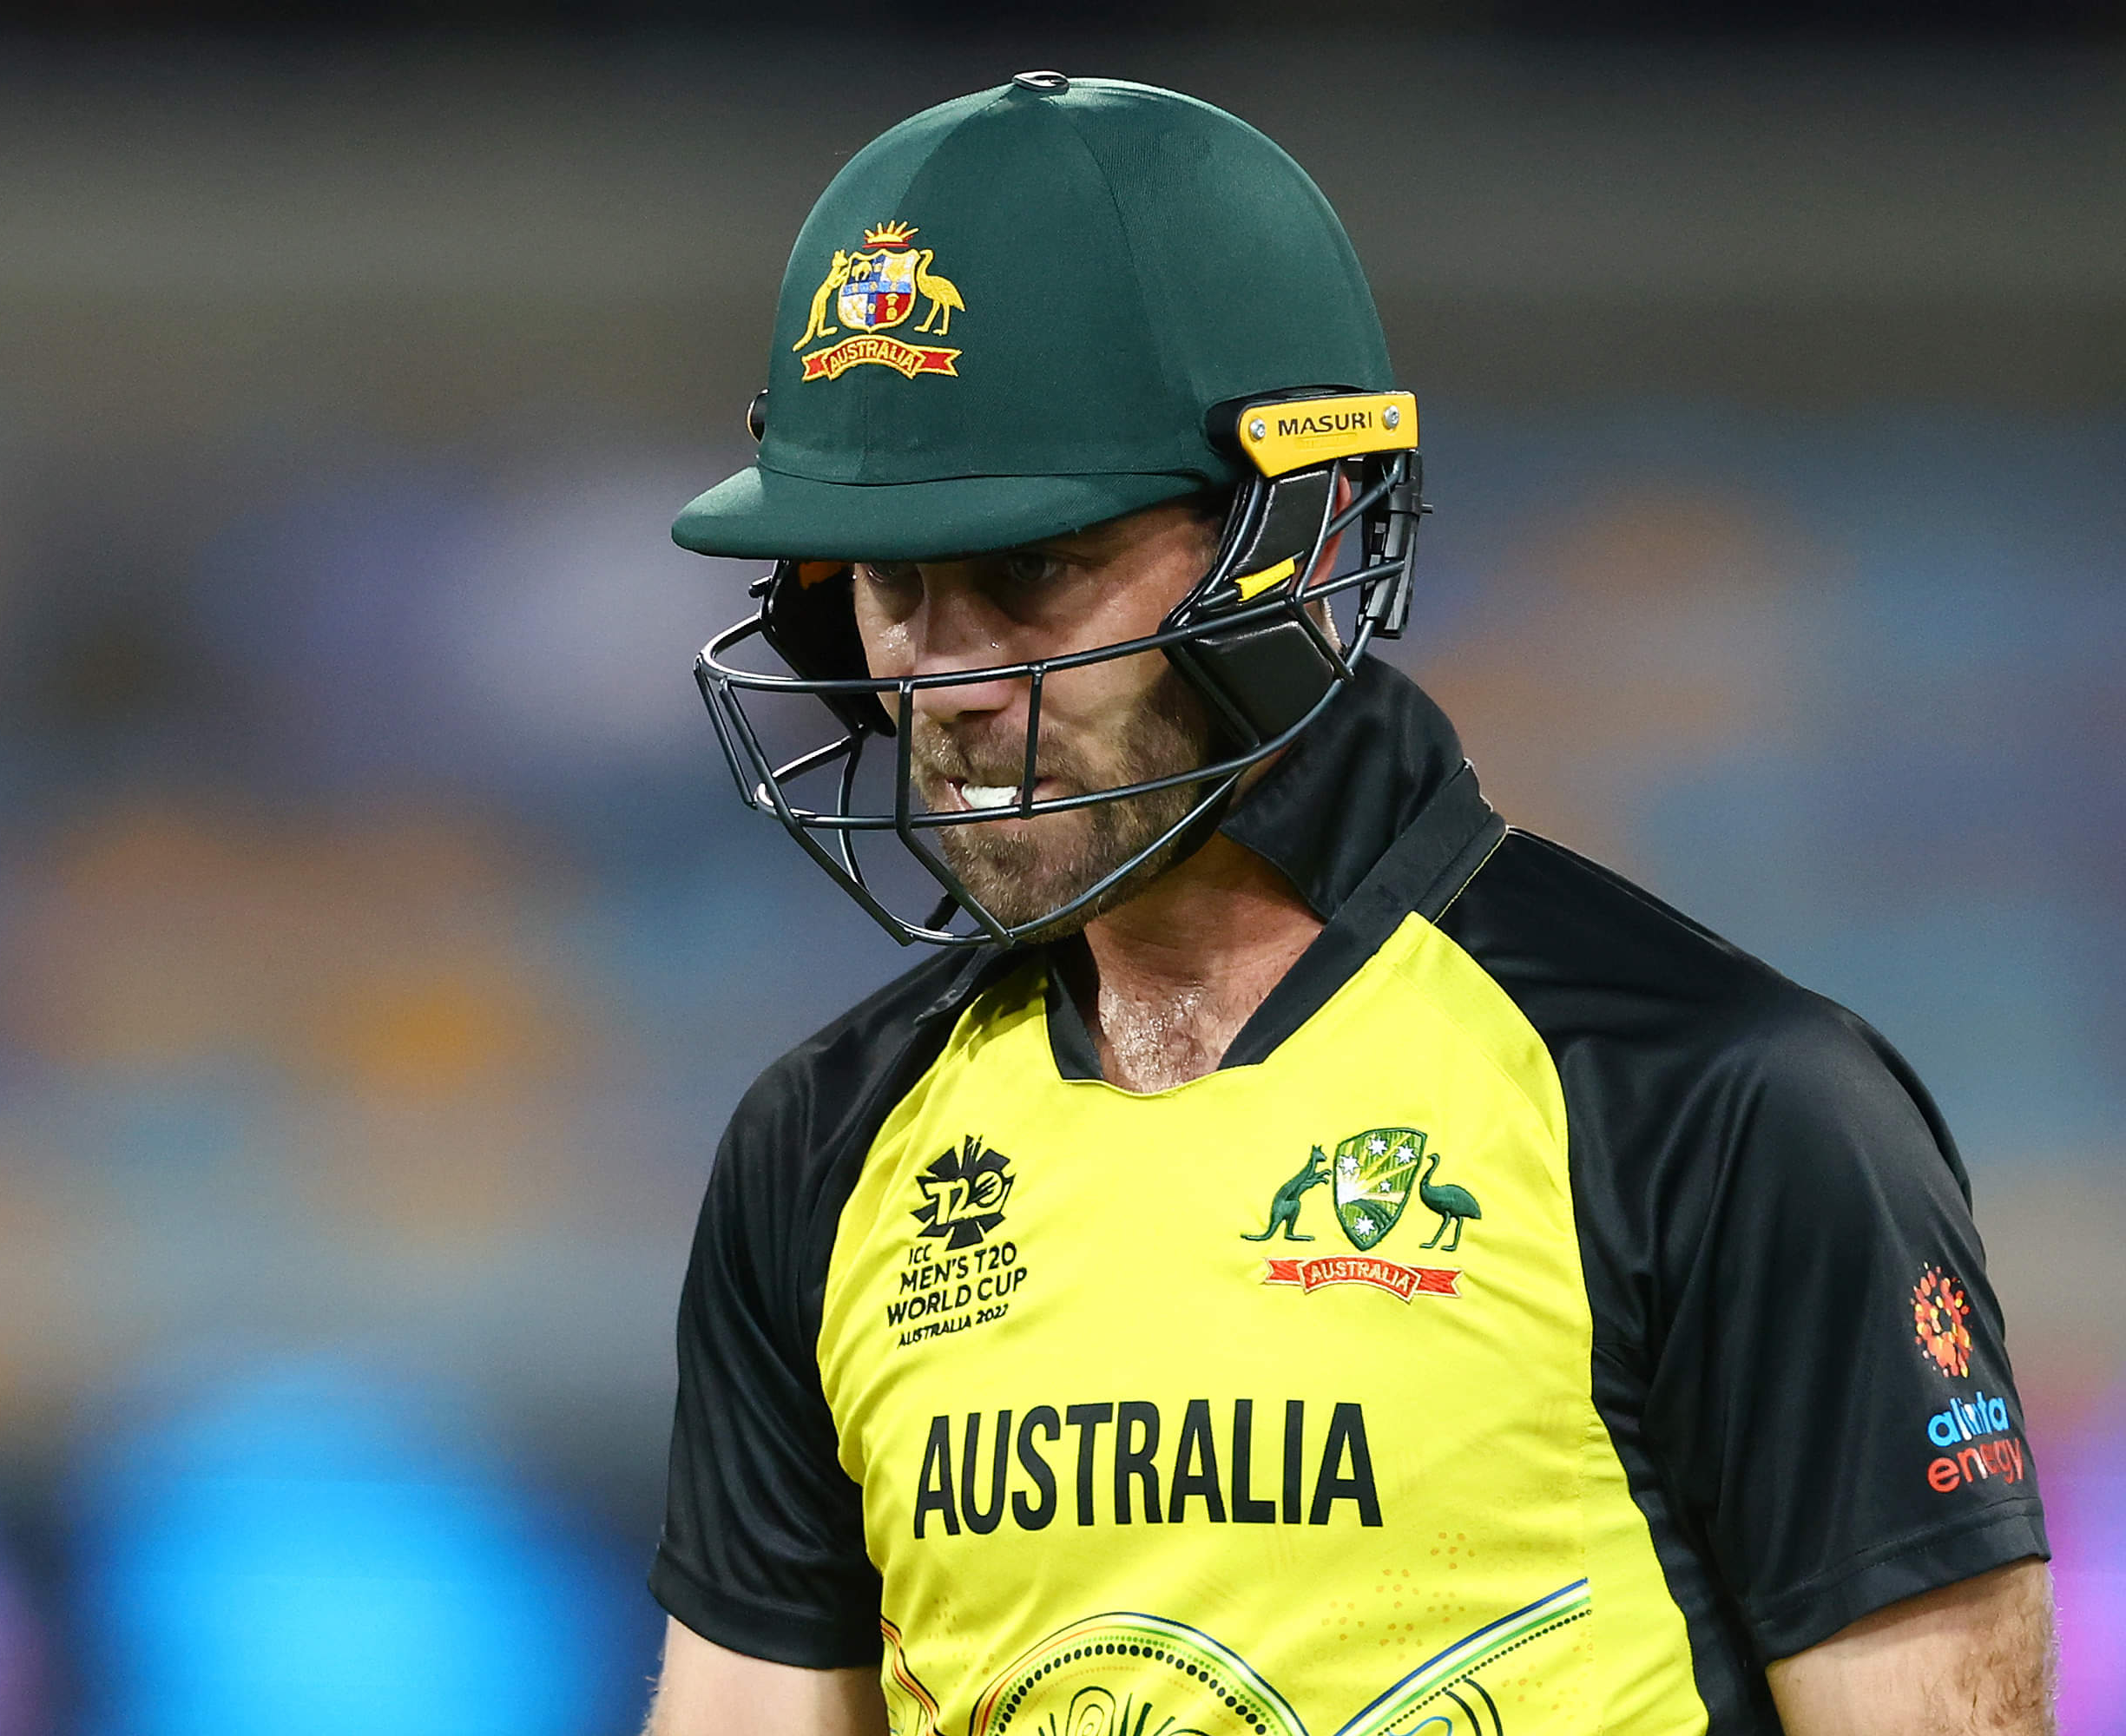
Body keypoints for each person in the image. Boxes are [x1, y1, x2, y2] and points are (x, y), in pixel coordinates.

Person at [648, 74, 2051, 1736]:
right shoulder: (820, 1152)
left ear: (1300, 538)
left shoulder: (1716, 1105)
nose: (939, 682)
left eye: (1030, 571)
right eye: (891, 583)